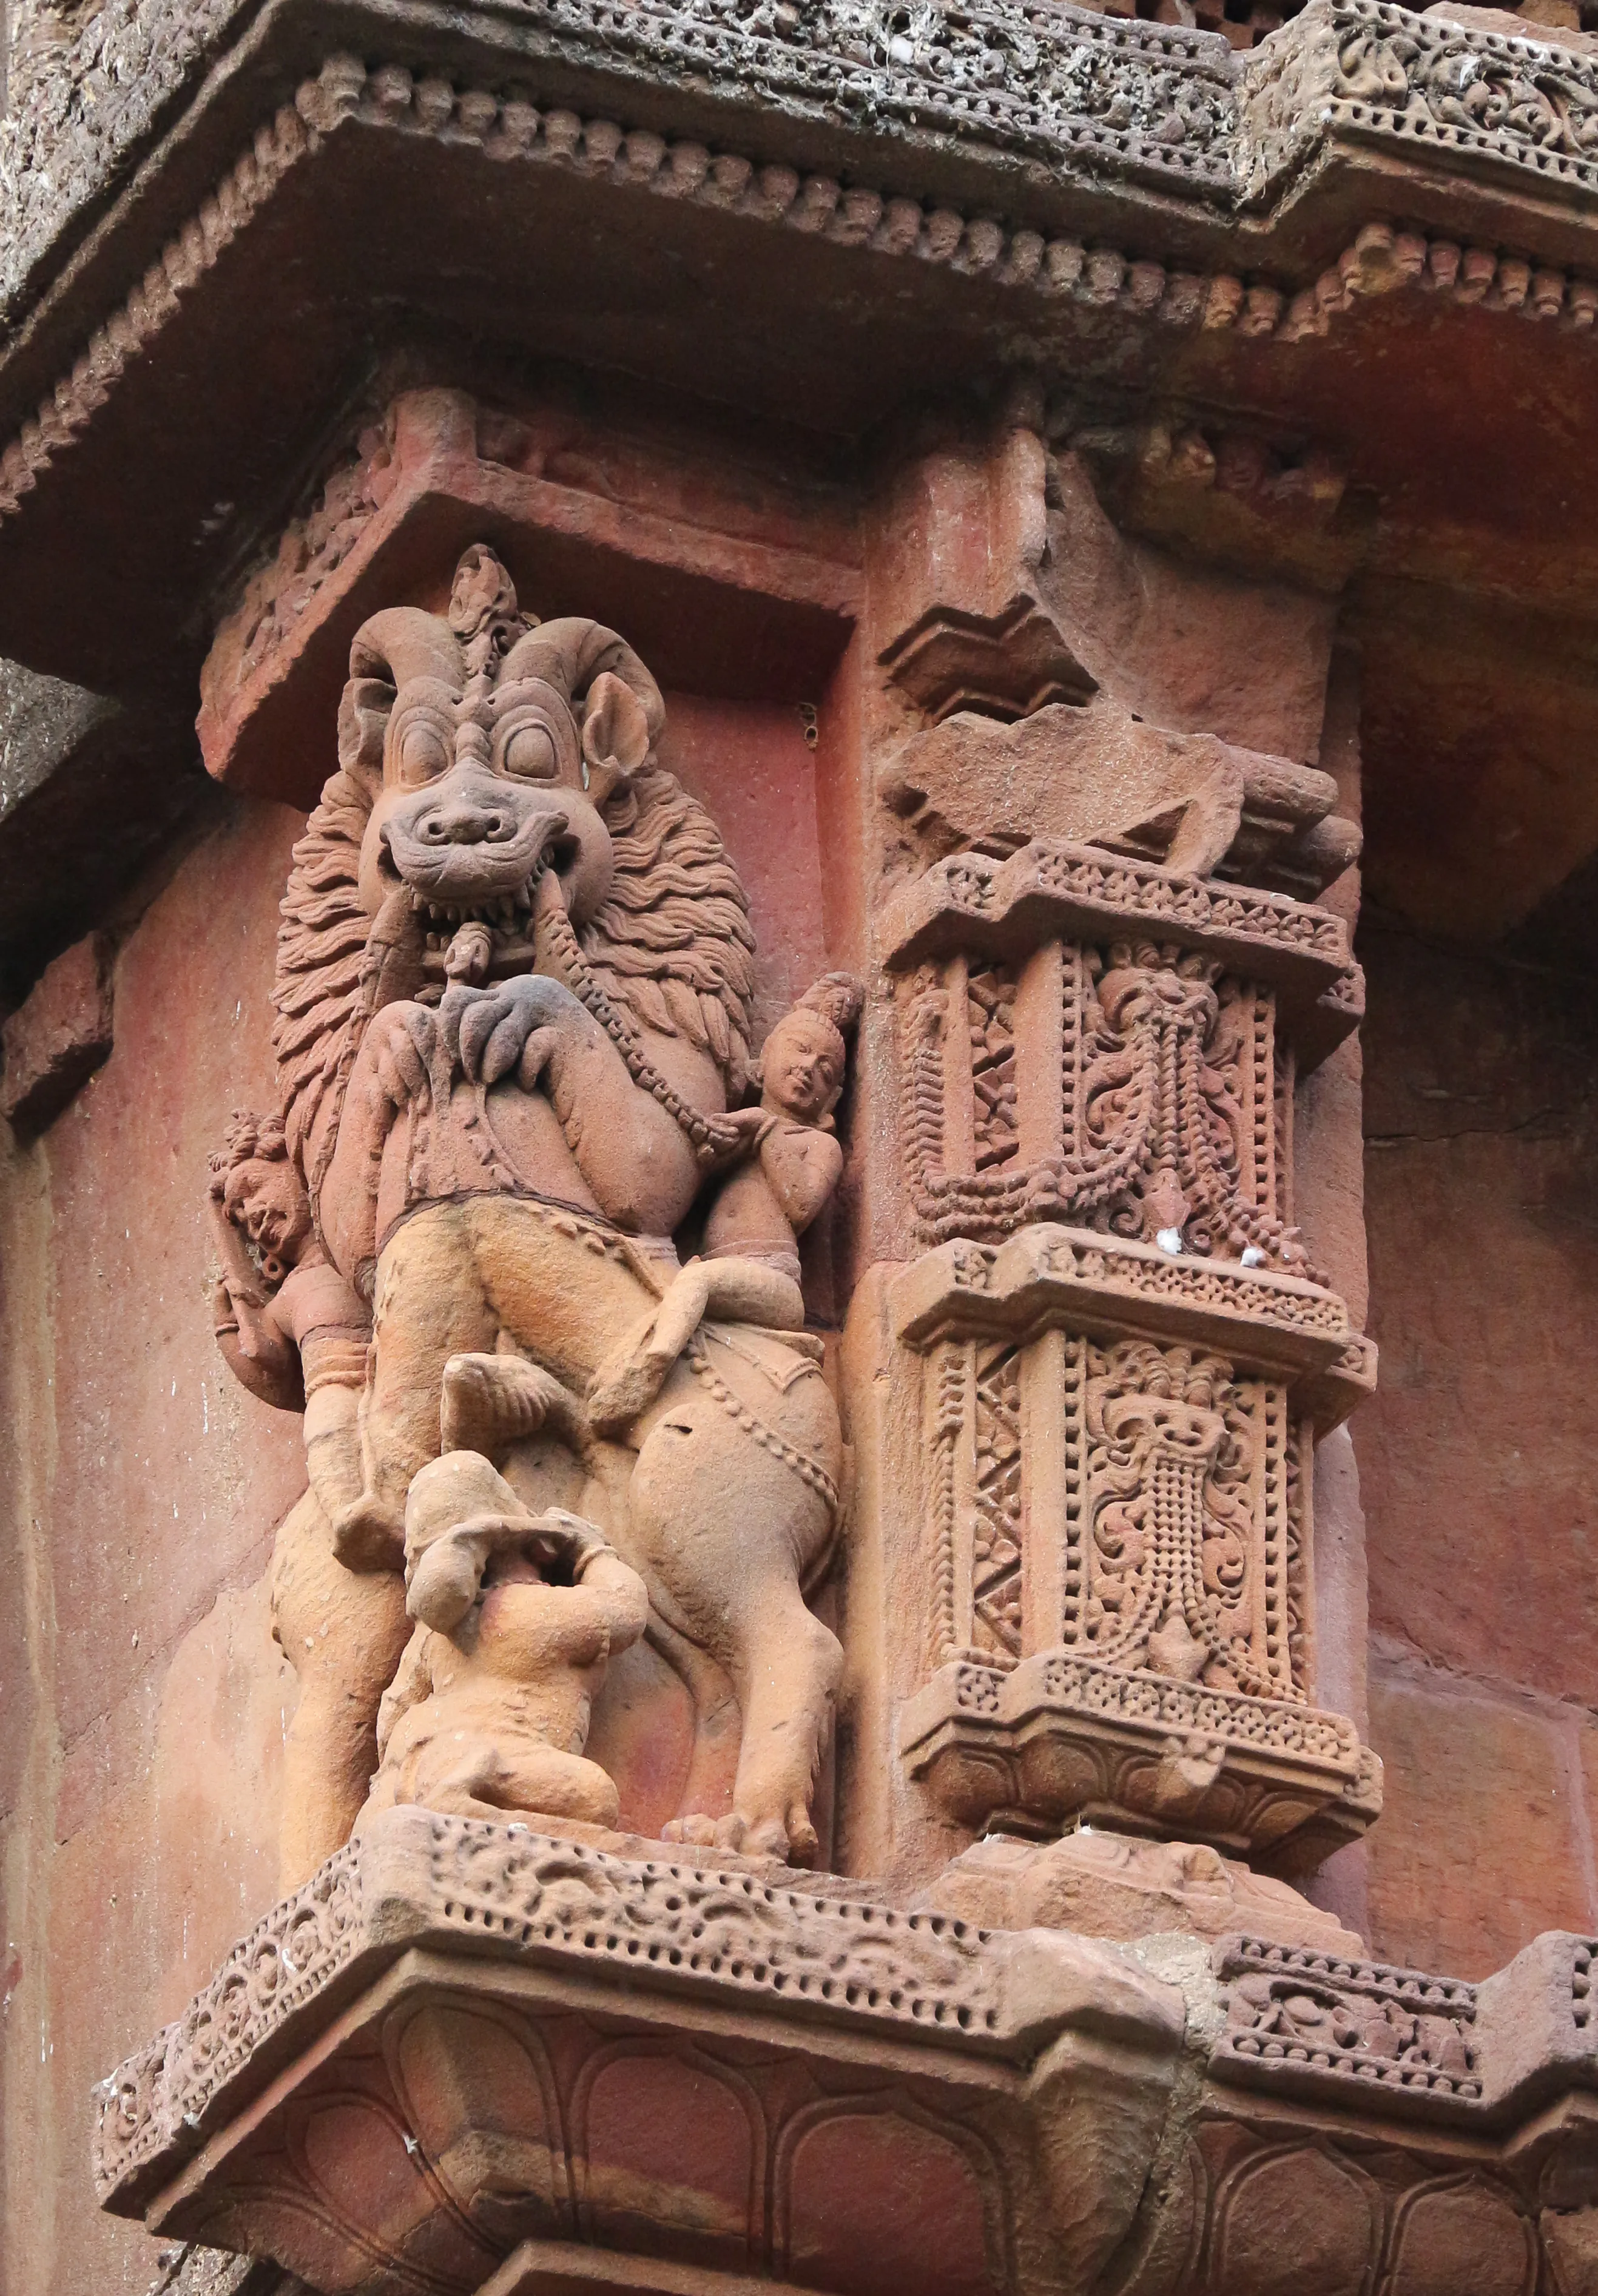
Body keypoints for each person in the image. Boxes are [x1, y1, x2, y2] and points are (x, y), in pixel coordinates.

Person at [208, 1110, 410, 1888]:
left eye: (261, 1192)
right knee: (331, 1446)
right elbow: (262, 1356)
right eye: (246, 1215)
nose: (258, 1215)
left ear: (300, 1169)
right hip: (336, 1396)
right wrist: (229, 1265)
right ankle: (352, 1509)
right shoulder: (291, 1293)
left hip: (385, 1389)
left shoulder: (354, 1246)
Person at [587, 973, 861, 1433]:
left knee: (697, 1283)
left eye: (826, 1069)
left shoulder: (815, 1145)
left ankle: (641, 1375)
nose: (810, 1067)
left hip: (773, 1282)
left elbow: (799, 1206)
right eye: (799, 1049)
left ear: (830, 1100)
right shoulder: (740, 1130)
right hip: (711, 1264)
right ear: (767, 1053)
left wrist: (766, 1130)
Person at [360, 1450, 648, 1829]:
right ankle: (463, 1800)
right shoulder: (531, 1607)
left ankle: (424, 1804)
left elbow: (393, 1711)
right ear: (533, 1545)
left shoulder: (432, 1640)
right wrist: (592, 1551)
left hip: (401, 1776)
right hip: (490, 1759)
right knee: (595, 1794)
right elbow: (626, 1611)